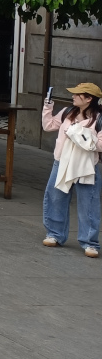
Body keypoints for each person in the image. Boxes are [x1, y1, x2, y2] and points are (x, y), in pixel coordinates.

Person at [41, 83, 102, 258]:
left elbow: (100, 144)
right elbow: (48, 126)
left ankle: (90, 242)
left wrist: (79, 135)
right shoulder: (68, 112)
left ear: (89, 98)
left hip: (86, 166)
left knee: (88, 204)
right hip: (61, 162)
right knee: (55, 197)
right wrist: (48, 106)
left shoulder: (99, 118)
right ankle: (54, 234)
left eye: (78, 94)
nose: (73, 96)